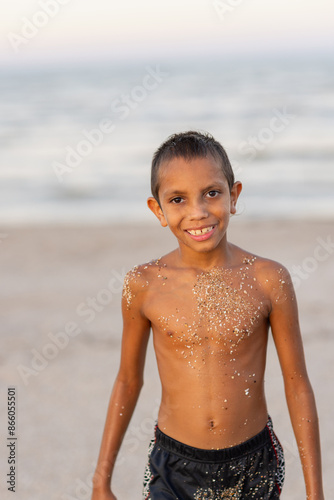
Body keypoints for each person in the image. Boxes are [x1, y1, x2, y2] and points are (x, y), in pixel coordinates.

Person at [91, 131, 324, 499]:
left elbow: (297, 384)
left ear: (234, 196)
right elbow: (127, 381)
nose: (198, 212)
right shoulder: (144, 284)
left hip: (252, 464)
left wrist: (315, 492)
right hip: (174, 464)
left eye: (212, 193)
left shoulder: (268, 279)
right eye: (178, 199)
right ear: (159, 210)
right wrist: (101, 480)